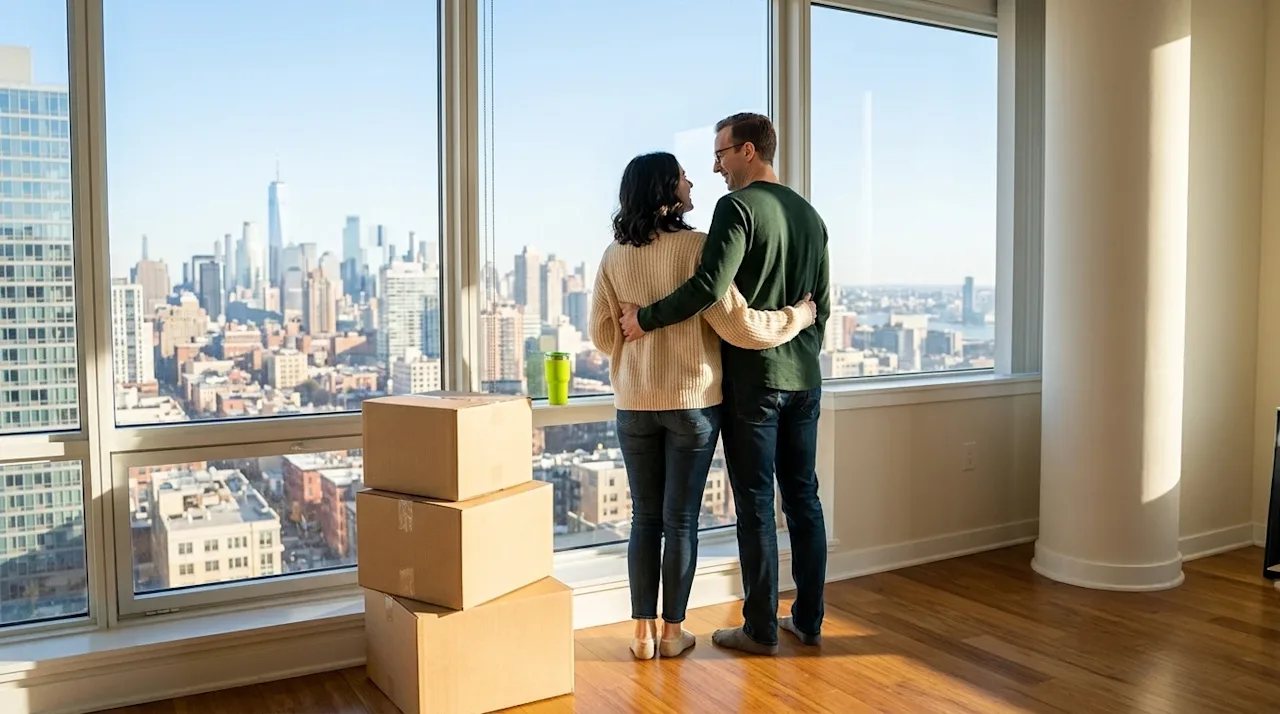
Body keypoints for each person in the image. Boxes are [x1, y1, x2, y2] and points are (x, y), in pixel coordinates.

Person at [590, 151, 816, 661]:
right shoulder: (697, 248)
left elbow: (604, 335)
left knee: (643, 520)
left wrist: (639, 324)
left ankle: (642, 634)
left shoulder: (613, 255)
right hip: (693, 403)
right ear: (667, 191)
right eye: (683, 177)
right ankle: (673, 633)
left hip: (635, 404)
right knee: (681, 521)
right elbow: (738, 325)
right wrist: (798, 317)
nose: (693, 182)